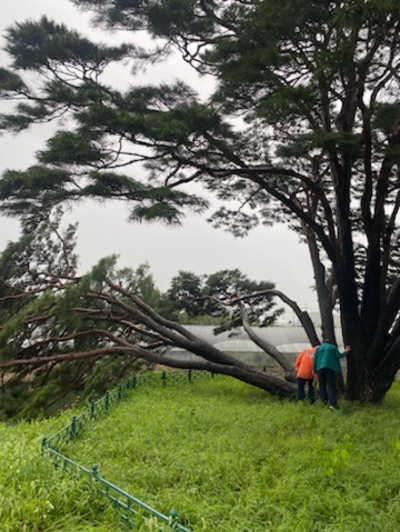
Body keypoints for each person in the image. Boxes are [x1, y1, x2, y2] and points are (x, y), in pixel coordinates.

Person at [313, 340, 351, 409]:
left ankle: (324, 402)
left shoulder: (318, 349)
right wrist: (346, 351)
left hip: (320, 369)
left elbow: (315, 360)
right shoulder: (332, 348)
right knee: (330, 386)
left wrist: (315, 370)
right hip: (330, 368)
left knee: (322, 386)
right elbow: (340, 355)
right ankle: (333, 404)